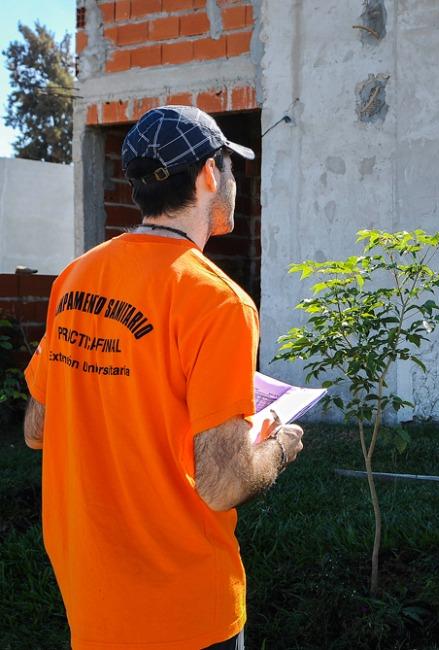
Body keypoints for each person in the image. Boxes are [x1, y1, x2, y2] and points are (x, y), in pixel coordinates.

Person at [22, 105, 304, 649]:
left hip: (91, 596)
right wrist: (281, 445)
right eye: (229, 166)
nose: (232, 180)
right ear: (206, 175)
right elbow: (224, 485)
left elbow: (38, 429)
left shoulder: (75, 278)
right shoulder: (218, 302)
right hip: (186, 611)